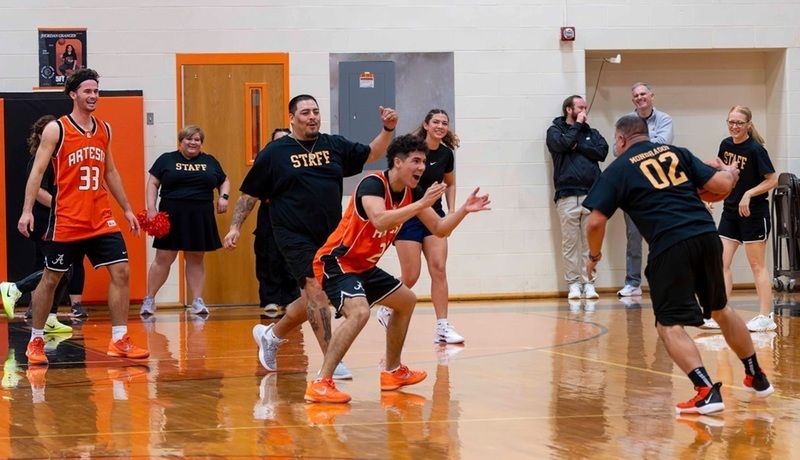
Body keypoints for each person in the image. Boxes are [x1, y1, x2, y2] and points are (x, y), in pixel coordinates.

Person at [584, 114, 773, 415]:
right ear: (645, 134)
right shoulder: (676, 153)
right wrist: (730, 171)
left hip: (670, 246)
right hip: (706, 234)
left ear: (620, 140)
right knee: (721, 309)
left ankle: (706, 391)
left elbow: (595, 222)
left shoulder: (617, 169)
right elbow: (722, 186)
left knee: (668, 324)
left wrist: (594, 257)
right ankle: (756, 375)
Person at [223, 94, 398, 380]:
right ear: (292, 118)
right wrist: (234, 227)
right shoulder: (275, 153)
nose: (312, 116)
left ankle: (271, 334)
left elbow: (371, 153)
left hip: (330, 236)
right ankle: (332, 360)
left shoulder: (333, 145)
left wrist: (388, 129)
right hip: (293, 235)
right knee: (316, 290)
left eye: (315, 111)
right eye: (305, 112)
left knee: (312, 298)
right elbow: (249, 195)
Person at [305, 134, 491, 403]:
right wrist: (421, 204)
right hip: (338, 262)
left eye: (424, 162)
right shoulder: (372, 184)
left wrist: (463, 210)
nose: (422, 167)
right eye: (416, 161)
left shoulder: (411, 194)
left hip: (364, 266)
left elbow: (439, 228)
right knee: (358, 313)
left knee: (406, 300)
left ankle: (392, 371)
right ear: (397, 162)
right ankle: (321, 382)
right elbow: (380, 220)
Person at [18, 68, 149, 365]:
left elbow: (111, 172)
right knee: (52, 279)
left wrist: (127, 208)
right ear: (73, 94)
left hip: (100, 216)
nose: (93, 96)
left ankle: (119, 339)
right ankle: (36, 339)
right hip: (67, 218)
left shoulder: (104, 129)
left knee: (121, 272)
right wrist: (27, 211)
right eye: (88, 91)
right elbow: (37, 172)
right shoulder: (57, 130)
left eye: (96, 91)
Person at [376, 109, 466, 343]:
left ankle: (442, 327)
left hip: (433, 215)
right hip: (409, 216)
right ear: (426, 125)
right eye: (435, 122)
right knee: (412, 275)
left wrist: (452, 211)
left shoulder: (446, 154)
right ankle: (387, 307)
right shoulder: (413, 151)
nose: (440, 126)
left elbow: (450, 184)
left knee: (438, 268)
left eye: (444, 123)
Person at [139, 125, 230, 316]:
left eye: (197, 140)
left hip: (200, 215)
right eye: (189, 139)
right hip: (172, 213)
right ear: (181, 141)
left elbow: (224, 180)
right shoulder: (167, 159)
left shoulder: (210, 161)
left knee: (196, 258)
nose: (193, 142)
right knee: (163, 258)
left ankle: (197, 301)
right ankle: (149, 299)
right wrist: (151, 208)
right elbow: (153, 183)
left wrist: (224, 197)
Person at [703, 106, 777, 332]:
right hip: (731, 211)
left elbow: (772, 179)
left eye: (739, 123)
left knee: (757, 265)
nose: (734, 126)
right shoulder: (726, 145)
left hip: (753, 213)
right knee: (721, 262)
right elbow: (723, 176)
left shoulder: (756, 150)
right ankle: (720, 313)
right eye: (731, 122)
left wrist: (748, 193)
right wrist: (713, 196)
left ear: (748, 125)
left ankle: (766, 316)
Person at [0, 115, 73, 333]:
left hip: (54, 219)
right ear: (42, 135)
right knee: (62, 268)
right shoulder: (40, 160)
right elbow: (39, 191)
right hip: (45, 220)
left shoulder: (58, 157)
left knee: (49, 267)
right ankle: (15, 288)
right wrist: (63, 207)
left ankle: (45, 314)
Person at [545, 95, 609, 300]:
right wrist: (577, 130)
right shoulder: (554, 131)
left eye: (585, 107)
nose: (584, 111)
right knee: (570, 243)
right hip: (566, 195)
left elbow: (602, 152)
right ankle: (573, 284)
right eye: (580, 107)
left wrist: (578, 145)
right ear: (569, 110)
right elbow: (562, 144)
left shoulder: (592, 133)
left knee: (590, 243)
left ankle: (589, 283)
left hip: (592, 194)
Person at [618, 82, 674, 298]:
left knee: (660, 235)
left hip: (658, 186)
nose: (640, 97)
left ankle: (662, 280)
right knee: (633, 238)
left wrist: (634, 143)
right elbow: (617, 149)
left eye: (643, 94)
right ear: (633, 100)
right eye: (636, 95)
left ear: (652, 96)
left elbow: (662, 145)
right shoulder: (626, 121)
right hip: (633, 188)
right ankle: (632, 283)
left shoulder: (664, 119)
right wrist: (644, 144)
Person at [253, 128, 298, 316]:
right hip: (269, 212)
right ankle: (270, 299)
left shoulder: (298, 162)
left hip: (293, 214)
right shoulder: (266, 160)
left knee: (291, 258)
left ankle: (291, 298)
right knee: (268, 256)